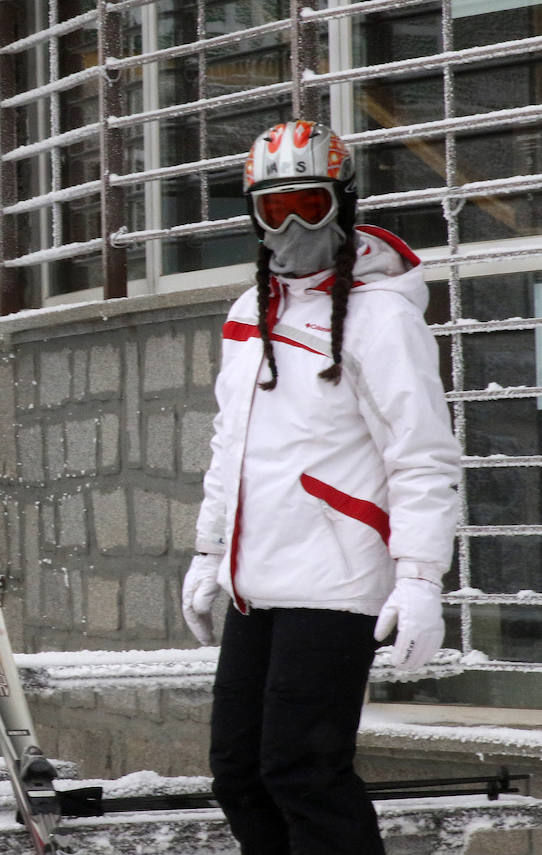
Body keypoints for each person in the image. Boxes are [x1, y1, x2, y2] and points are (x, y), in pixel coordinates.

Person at [180, 120, 462, 855]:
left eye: (311, 202)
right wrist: (210, 552)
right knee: (238, 771)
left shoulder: (381, 317)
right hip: (258, 579)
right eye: (276, 208)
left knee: (303, 771)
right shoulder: (251, 313)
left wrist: (421, 577)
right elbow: (229, 445)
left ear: (343, 202)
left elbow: (423, 455)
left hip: (337, 580)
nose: (295, 223)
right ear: (254, 214)